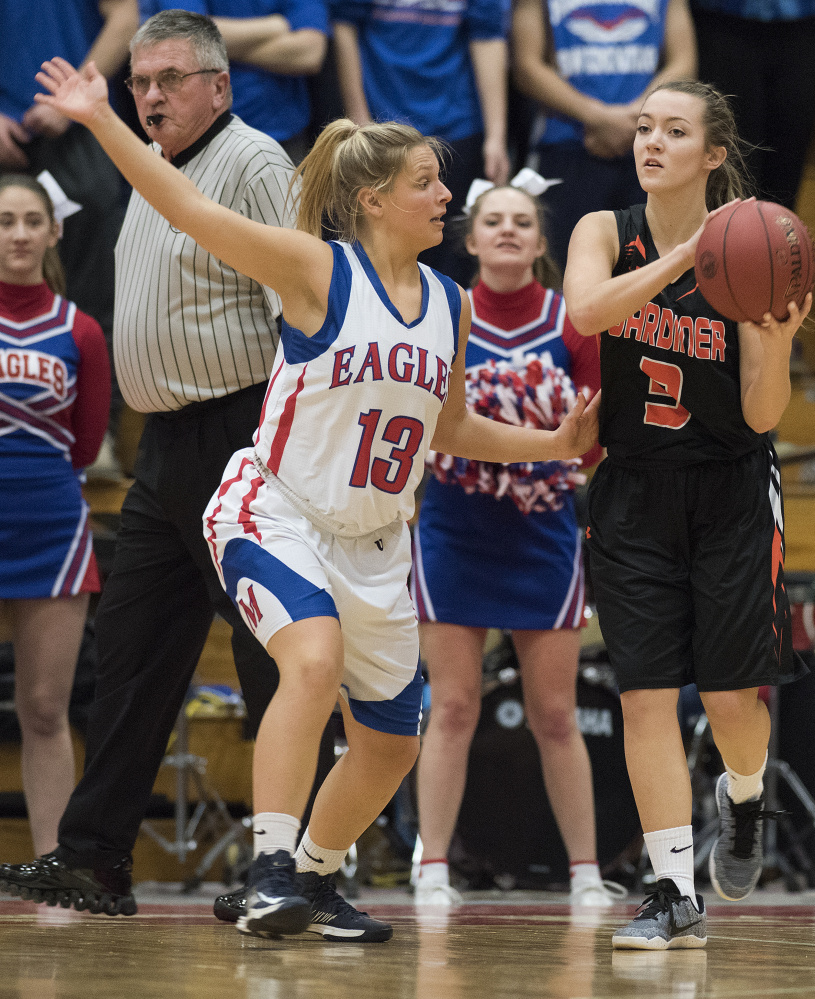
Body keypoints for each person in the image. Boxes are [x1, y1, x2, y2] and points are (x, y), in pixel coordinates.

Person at [24, 47, 601, 940]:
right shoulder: (316, 269)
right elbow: (186, 204)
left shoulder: (451, 301)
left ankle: (318, 876)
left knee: (393, 740)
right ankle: (268, 871)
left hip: (376, 542)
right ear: (373, 201)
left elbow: (448, 428)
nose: (447, 196)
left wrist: (552, 443)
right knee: (312, 659)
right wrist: (102, 118)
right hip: (276, 509)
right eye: (427, 182)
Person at [0, 10, 291, 918]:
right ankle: (94, 857)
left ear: (220, 85)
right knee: (129, 653)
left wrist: (286, 451)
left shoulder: (257, 163)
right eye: (140, 83)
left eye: (169, 79)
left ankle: (296, 864)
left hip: (240, 435)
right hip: (164, 446)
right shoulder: (154, 168)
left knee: (265, 654)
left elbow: (302, 303)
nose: (151, 95)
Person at [562, 79, 811, 949]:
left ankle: (743, 800)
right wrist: (685, 260)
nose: (651, 142)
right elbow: (585, 312)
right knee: (644, 697)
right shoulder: (605, 229)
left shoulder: (757, 243)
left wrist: (773, 345)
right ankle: (671, 888)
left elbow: (760, 413)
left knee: (736, 700)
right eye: (642, 128)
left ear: (713, 153)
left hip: (731, 485)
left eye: (674, 130)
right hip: (632, 488)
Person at [410, 175, 613, 907]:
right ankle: (431, 864)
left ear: (540, 241)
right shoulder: (440, 312)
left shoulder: (573, 322)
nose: (505, 231)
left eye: (520, 221)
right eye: (491, 220)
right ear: (468, 239)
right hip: (455, 530)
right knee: (454, 705)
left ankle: (586, 871)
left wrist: (549, 452)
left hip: (543, 532)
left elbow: (595, 442)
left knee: (555, 713)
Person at [0, 174, 110, 857]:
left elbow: (89, 441)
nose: (16, 234)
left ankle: (54, 868)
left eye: (29, 221)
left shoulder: (81, 331)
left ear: (54, 231)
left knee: (44, 708)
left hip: (50, 528)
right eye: (5, 221)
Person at [0, 0, 139, 478]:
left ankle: (95, 436)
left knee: (97, 289)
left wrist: (75, 95)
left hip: (75, 132)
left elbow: (126, 15)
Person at [330, 0, 510, 283]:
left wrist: (496, 137)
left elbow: (487, 37)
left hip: (457, 129)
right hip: (382, 129)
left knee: (451, 260)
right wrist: (360, 124)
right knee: (378, 261)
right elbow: (344, 27)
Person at [510, 0, 696, 269]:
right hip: (567, 144)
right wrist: (597, 117)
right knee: (565, 272)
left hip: (650, 148)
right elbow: (526, 67)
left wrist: (639, 118)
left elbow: (684, 62)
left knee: (653, 276)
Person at [139, 0, 329, 163]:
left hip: (284, 135)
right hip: (203, 136)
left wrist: (217, 49)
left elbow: (310, 54)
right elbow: (185, 37)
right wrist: (276, 25)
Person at [689, 0, 815, 211]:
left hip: (804, 20)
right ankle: (723, 242)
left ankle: (777, 243)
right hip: (720, 20)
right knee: (729, 167)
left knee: (786, 172)